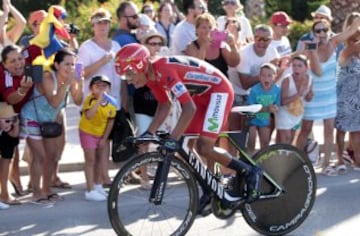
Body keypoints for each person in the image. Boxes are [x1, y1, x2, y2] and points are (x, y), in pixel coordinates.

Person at [115, 43, 263, 214]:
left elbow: (189, 108)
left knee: (204, 147)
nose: (130, 80)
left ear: (141, 66)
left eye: (130, 74)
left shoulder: (163, 70)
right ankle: (209, 188)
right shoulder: (151, 76)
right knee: (185, 147)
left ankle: (249, 170)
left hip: (219, 91)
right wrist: (149, 133)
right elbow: (164, 104)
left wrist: (173, 138)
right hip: (202, 95)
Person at [296, 17, 360, 176]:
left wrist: (358, 18)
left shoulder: (333, 42)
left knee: (329, 130)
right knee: (305, 129)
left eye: (325, 29)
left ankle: (326, 165)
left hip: (330, 94)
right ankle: (295, 160)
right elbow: (313, 69)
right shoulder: (310, 46)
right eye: (318, 30)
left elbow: (352, 30)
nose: (322, 33)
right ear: (313, 33)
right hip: (314, 94)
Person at [20, 49, 83, 205]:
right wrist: (68, 83)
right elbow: (54, 102)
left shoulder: (69, 80)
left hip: (49, 121)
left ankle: (46, 189)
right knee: (40, 156)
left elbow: (78, 101)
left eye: (73, 64)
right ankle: (36, 193)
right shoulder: (48, 77)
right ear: (57, 64)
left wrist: (79, 84)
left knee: (53, 156)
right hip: (32, 117)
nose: (70, 68)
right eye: (66, 64)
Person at [77, 8, 124, 187]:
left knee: (106, 142)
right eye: (99, 22)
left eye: (105, 22)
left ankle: (104, 177)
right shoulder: (86, 47)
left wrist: (124, 98)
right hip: (93, 103)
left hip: (113, 101)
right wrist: (102, 61)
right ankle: (93, 181)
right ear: (93, 25)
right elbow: (80, 73)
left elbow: (121, 73)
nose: (102, 26)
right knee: (93, 144)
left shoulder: (116, 45)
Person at [0, 45, 33, 197]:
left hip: (16, 115)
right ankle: (5, 193)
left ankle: (12, 185)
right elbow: (11, 98)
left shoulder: (30, 69)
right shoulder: (4, 74)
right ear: (4, 64)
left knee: (11, 154)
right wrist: (23, 90)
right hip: (6, 115)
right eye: (12, 61)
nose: (18, 63)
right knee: (7, 154)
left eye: (20, 59)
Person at [79, 75, 116, 201]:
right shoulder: (90, 100)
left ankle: (98, 184)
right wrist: (99, 100)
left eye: (104, 86)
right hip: (87, 132)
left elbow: (110, 121)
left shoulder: (111, 104)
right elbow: (89, 115)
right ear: (91, 88)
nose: (101, 89)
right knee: (90, 160)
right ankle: (90, 189)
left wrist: (104, 138)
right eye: (97, 86)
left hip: (101, 134)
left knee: (100, 159)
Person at [335, 12, 360, 172]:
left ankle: (356, 159)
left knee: (357, 129)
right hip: (344, 95)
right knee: (342, 129)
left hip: (357, 95)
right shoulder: (346, 48)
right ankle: (339, 159)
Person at [184, 12, 240, 77]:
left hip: (221, 82)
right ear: (197, 30)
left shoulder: (219, 44)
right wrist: (204, 45)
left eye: (210, 27)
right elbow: (196, 68)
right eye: (204, 27)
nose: (208, 30)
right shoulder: (191, 46)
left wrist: (233, 46)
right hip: (202, 83)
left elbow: (233, 63)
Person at [275, 55, 313, 144]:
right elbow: (282, 101)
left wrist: (310, 95)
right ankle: (281, 157)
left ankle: (286, 156)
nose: (296, 68)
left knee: (291, 139)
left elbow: (308, 98)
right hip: (284, 112)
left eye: (299, 66)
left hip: (296, 112)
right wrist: (298, 94)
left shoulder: (310, 79)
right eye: (294, 65)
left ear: (306, 68)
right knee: (286, 138)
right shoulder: (287, 80)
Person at [247, 63, 280, 153]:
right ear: (259, 77)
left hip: (265, 120)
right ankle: (250, 161)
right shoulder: (254, 90)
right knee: (251, 142)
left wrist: (275, 108)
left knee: (265, 144)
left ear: (275, 76)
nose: (266, 78)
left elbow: (277, 104)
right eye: (263, 75)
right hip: (252, 120)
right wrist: (267, 109)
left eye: (269, 75)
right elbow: (251, 108)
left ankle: (263, 163)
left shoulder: (277, 90)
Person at [0, 102, 20, 209]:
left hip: (6, 104)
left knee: (7, 155)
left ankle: (4, 194)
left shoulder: (7, 127)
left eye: (12, 121)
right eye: (7, 121)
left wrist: (15, 125)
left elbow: (13, 136)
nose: (9, 124)